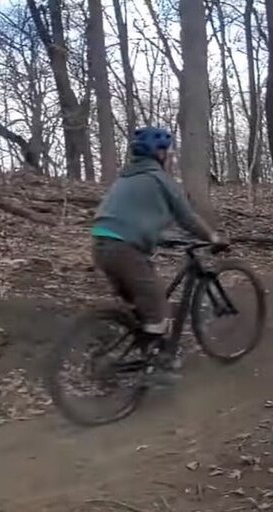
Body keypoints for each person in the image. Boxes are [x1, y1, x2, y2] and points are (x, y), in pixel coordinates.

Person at [91, 126, 225, 379]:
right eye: (167, 151)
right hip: (124, 251)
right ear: (159, 153)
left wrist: (159, 237)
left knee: (142, 308)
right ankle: (157, 369)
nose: (169, 156)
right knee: (160, 309)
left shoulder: (125, 178)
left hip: (101, 245)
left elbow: (129, 216)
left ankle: (144, 353)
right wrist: (212, 237)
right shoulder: (160, 179)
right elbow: (187, 217)